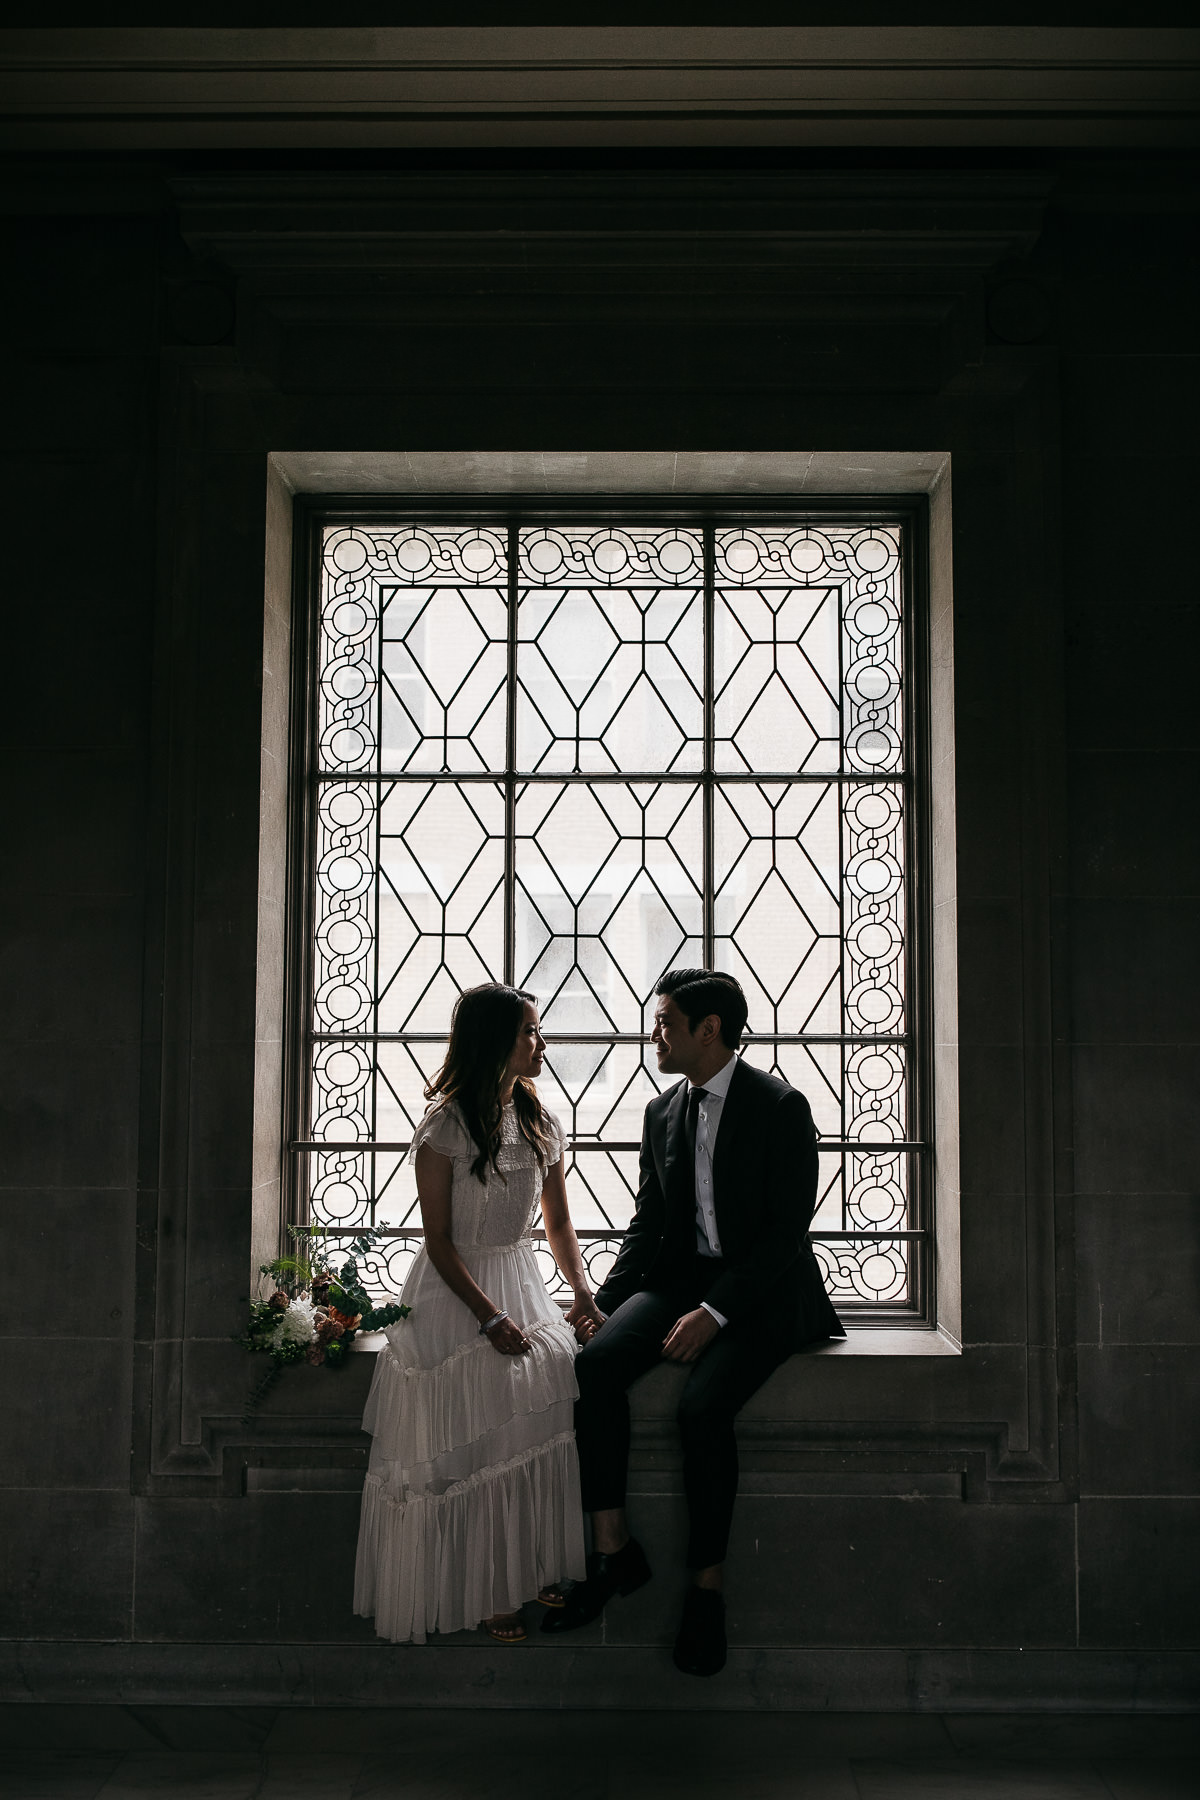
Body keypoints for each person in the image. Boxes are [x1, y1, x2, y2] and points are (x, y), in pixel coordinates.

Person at [542, 967, 844, 1676]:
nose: (655, 1034)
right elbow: (649, 1227)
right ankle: (614, 1551)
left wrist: (716, 1312)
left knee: (703, 1408)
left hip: (767, 1293)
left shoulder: (781, 1106)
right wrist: (600, 1306)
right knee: (595, 1366)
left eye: (666, 1023)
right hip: (681, 1280)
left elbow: (783, 1235)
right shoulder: (660, 1111)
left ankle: (707, 1592)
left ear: (709, 1031)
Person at [353, 983, 605, 1644]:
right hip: (455, 1289)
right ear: (496, 1040)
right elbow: (435, 1239)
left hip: (520, 1278)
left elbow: (558, 1225)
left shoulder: (539, 1120)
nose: (541, 1044)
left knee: (537, 1423)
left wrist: (579, 1293)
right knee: (475, 1440)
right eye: (531, 1033)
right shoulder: (445, 1124)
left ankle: (528, 1569)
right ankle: (489, 1590)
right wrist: (489, 1318)